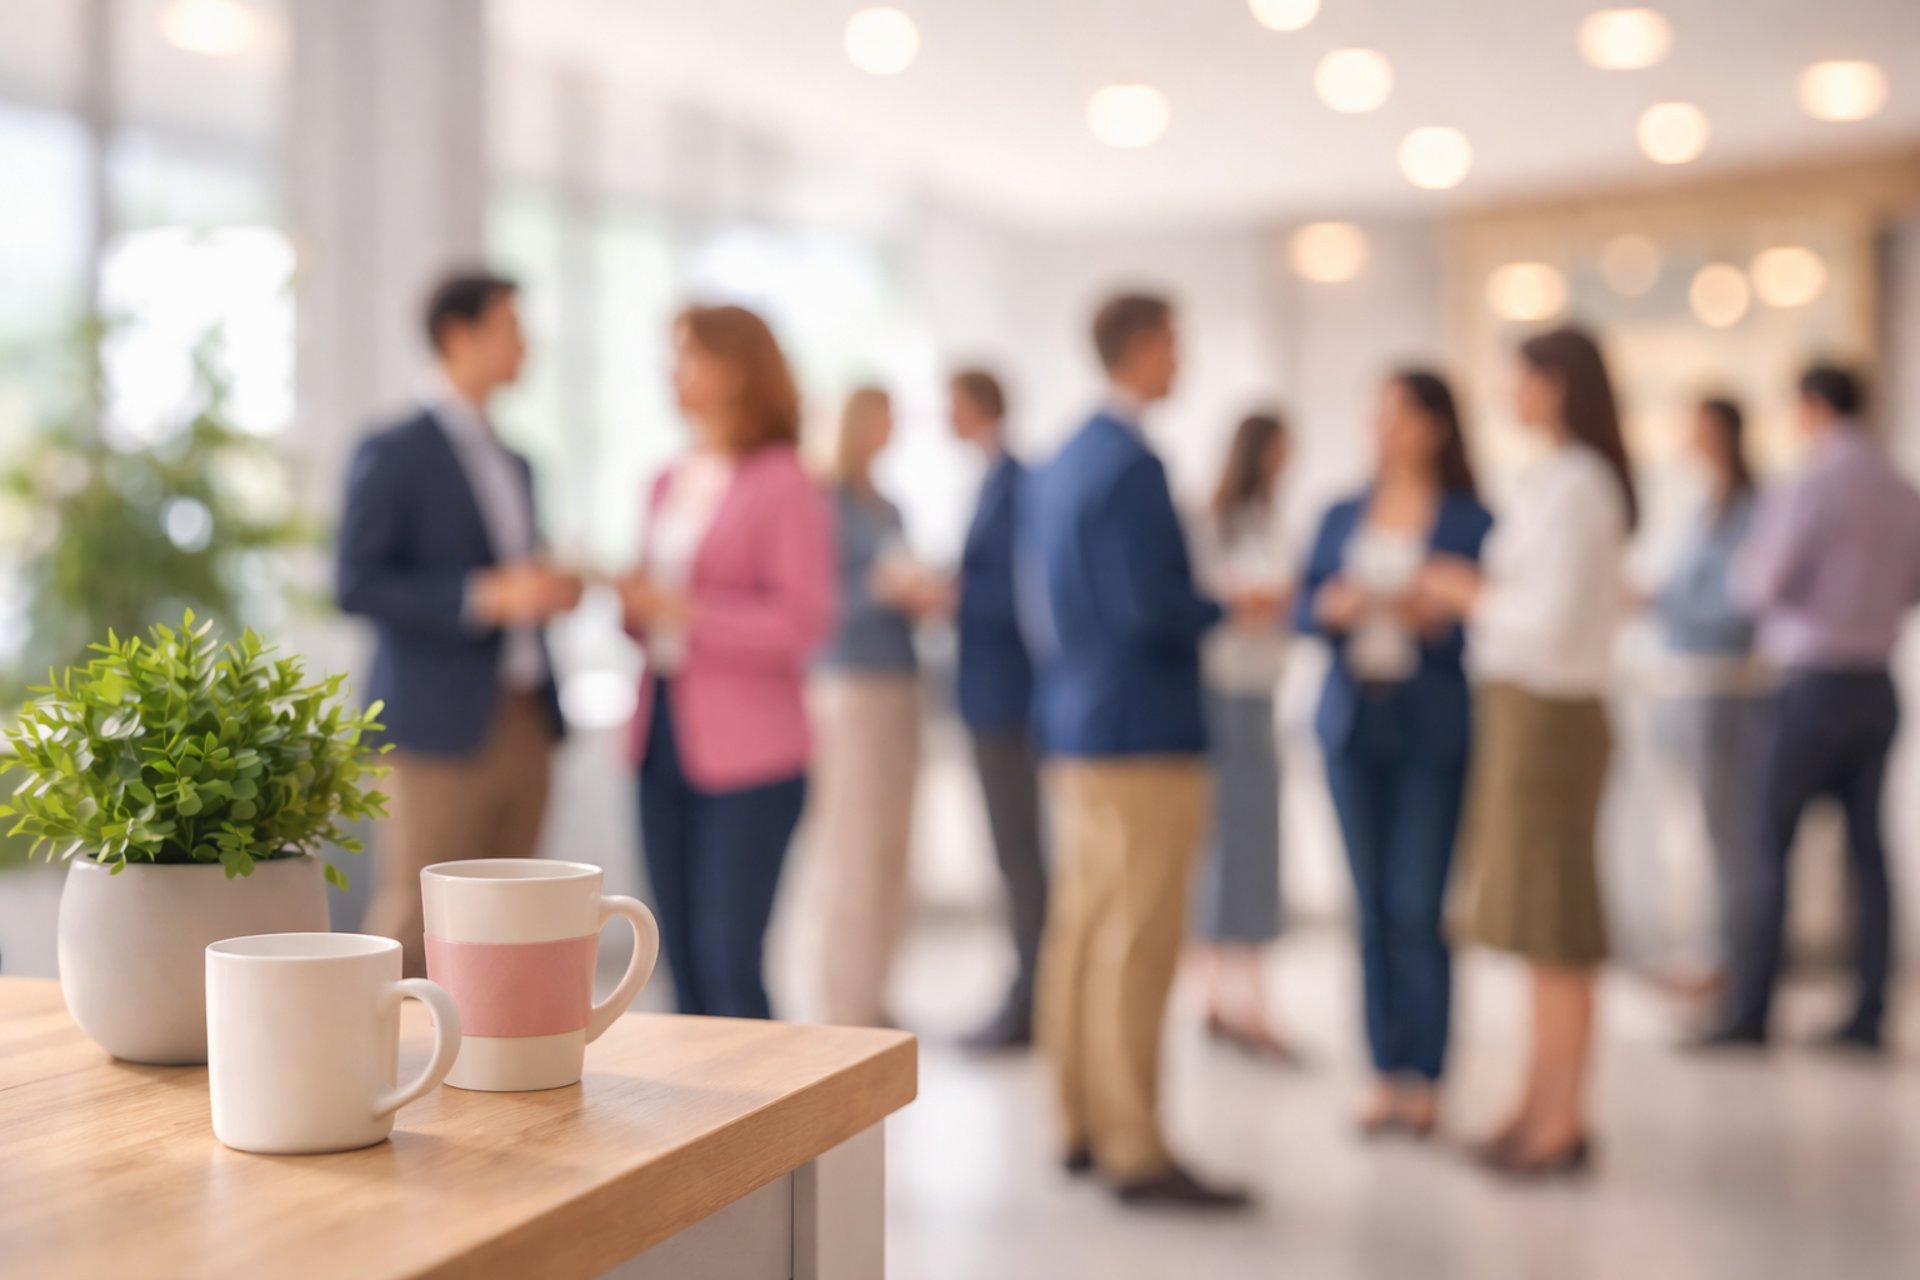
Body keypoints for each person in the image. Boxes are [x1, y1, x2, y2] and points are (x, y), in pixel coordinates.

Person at [1023, 292, 1277, 1209]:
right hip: (1144, 732)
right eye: (1176, 343)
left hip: (1079, 722)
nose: (1184, 360)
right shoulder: (1131, 463)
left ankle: (1080, 1119)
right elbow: (1153, 609)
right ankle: (1135, 1145)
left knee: (1084, 930)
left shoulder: (1063, 459)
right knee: (1138, 939)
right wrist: (1232, 604)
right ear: (1140, 348)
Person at [1418, 327, 1635, 1178]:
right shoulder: (1555, 479)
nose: (1510, 395)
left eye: (1520, 379)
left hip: (1552, 714)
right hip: (1522, 712)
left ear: (1556, 383)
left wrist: (1469, 593)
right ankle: (1535, 1099)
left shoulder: (1582, 485)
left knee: (1558, 928)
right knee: (1534, 926)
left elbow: (1544, 621)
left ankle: (1562, 1118)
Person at [338, 269, 581, 978]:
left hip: (526, 715)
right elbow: (355, 583)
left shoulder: (518, 461)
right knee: (417, 920)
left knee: (514, 922)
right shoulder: (392, 450)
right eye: (512, 328)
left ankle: (498, 1072)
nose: (526, 347)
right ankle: (390, 1073)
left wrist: (545, 588)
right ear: (458, 335)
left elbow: (513, 573)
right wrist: (483, 597)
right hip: (434, 728)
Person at [620, 304, 835, 1020]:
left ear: (738, 370)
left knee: (729, 963)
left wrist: (688, 612)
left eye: (688, 356)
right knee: (676, 961)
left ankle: (770, 1130)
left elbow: (802, 622)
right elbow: (652, 619)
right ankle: (699, 1128)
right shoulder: (664, 481)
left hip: (753, 753)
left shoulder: (784, 482)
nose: (672, 373)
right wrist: (634, 602)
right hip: (662, 738)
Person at [1297, 371, 1492, 1139]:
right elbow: (1301, 604)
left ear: (1437, 425)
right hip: (1354, 724)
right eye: (1375, 415)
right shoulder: (1340, 513)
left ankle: (1429, 1075)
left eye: (1399, 416)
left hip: (1432, 726)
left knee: (1421, 905)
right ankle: (1382, 1069)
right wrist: (1335, 607)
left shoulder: (1472, 519)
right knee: (1371, 907)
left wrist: (1439, 612)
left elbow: (1495, 612)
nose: (1383, 430)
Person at [1704, 366, 1920, 1053]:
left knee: (1767, 845)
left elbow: (1760, 584)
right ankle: (1870, 1013)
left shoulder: (1810, 484)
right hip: (1876, 683)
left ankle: (1752, 1009)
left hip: (1810, 683)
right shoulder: (1901, 489)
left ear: (1811, 407)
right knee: (1868, 854)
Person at [811, 386, 939, 1028]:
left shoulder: (890, 507)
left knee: (894, 848)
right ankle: (845, 1000)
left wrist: (921, 591)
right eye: (884, 417)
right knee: (853, 846)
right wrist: (879, 591)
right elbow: (815, 605)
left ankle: (877, 989)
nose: (892, 429)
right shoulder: (822, 503)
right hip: (849, 683)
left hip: (900, 679)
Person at [1187, 411, 1299, 1061]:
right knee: (1221, 850)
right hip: (1221, 697)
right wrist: (1247, 602)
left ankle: (1247, 996)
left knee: (1256, 851)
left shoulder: (1275, 522)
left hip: (1260, 697)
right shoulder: (1210, 522)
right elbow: (1208, 603)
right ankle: (1218, 998)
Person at [1646, 398, 1765, 992]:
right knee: (1701, 834)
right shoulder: (1703, 508)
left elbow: (1738, 608)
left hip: (1726, 687)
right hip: (1687, 682)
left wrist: (1664, 602)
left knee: (1733, 832)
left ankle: (1734, 962)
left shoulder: (1752, 510)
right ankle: (1713, 954)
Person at [948, 368, 1048, 1051]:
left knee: (1020, 852)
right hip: (991, 696)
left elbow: (1019, 594)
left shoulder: (1016, 484)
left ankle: (1033, 998)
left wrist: (951, 595)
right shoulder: (991, 480)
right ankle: (1029, 990)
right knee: (1013, 852)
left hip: (1009, 699)